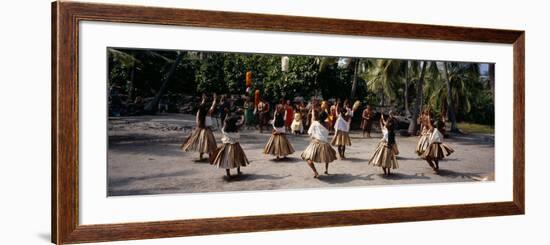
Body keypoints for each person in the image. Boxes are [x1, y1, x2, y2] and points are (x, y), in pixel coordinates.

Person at [301, 103, 337, 178]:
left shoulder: (315, 123)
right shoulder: (328, 124)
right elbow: (329, 119)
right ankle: (326, 170)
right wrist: (326, 111)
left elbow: (309, 133)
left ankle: (315, 172)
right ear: (325, 117)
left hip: (316, 142)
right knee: (326, 157)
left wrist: (313, 110)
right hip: (325, 144)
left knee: (307, 158)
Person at [210, 111, 250, 178]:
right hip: (236, 146)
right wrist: (243, 115)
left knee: (227, 161)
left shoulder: (224, 130)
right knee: (238, 159)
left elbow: (224, 122)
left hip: (226, 146)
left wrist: (226, 115)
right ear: (234, 123)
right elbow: (242, 122)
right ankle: (238, 171)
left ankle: (228, 174)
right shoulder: (236, 128)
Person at [181, 94, 217, 161]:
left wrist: (203, 100)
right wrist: (214, 99)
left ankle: (201, 156)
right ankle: (210, 156)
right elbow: (213, 106)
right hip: (207, 130)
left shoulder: (199, 114)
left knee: (202, 144)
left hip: (199, 130)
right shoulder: (208, 113)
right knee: (209, 144)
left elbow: (201, 107)